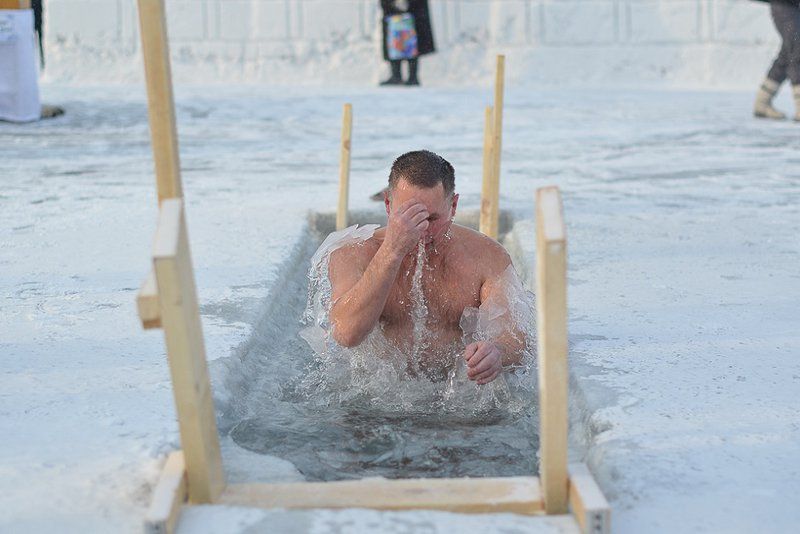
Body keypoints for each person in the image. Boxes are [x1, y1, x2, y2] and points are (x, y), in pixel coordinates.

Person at [326, 150, 526, 385]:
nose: (420, 230)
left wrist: (497, 353)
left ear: (453, 205)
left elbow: (515, 336)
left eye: (431, 219)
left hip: (455, 397)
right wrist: (392, 251)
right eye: (408, 216)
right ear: (388, 205)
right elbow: (345, 333)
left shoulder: (487, 256)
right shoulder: (353, 253)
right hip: (377, 398)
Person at [753, 0, 800, 120]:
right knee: (796, 48)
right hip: (784, 4)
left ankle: (762, 102)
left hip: (793, 5)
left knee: (787, 53)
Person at [380, 0, 435, 86]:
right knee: (394, 39)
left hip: (414, 9)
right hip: (392, 10)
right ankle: (396, 75)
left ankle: (412, 76)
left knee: (412, 41)